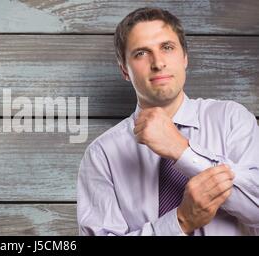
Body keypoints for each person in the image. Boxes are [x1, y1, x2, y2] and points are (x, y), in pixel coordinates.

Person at [77, 7, 259, 235]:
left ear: (185, 57)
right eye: (141, 53)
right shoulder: (102, 154)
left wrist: (182, 151)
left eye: (167, 47)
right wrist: (180, 222)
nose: (158, 62)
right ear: (125, 69)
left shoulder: (232, 119)